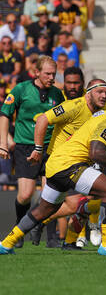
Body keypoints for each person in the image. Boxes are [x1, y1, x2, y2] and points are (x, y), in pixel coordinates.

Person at [0, 97, 106, 256]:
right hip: (69, 164)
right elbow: (96, 153)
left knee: (44, 209)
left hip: (56, 165)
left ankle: (6, 243)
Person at [0, 56, 65, 248]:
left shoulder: (57, 94)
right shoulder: (21, 89)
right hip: (25, 147)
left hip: (50, 149)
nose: (51, 77)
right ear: (36, 72)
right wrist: (3, 142)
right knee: (25, 195)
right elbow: (4, 115)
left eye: (53, 74)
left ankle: (51, 238)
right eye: (47, 73)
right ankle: (19, 231)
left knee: (50, 194)